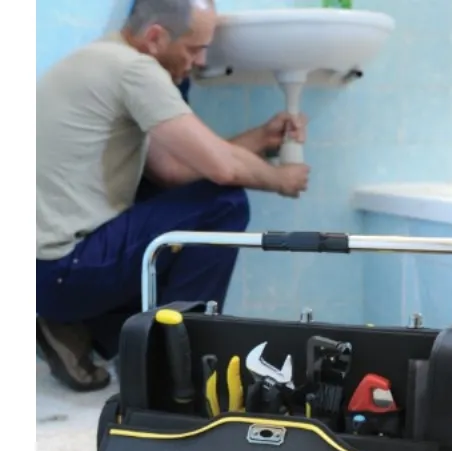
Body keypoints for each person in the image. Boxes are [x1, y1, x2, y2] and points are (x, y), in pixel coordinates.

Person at [36, 0, 310, 392]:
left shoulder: (101, 58)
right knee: (224, 204)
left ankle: (83, 327)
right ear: (155, 37)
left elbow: (171, 171)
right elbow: (223, 170)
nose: (200, 61)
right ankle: (173, 364)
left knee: (166, 195)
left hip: (44, 273)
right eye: (194, 48)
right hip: (62, 271)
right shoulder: (136, 70)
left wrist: (260, 139)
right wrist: (281, 179)